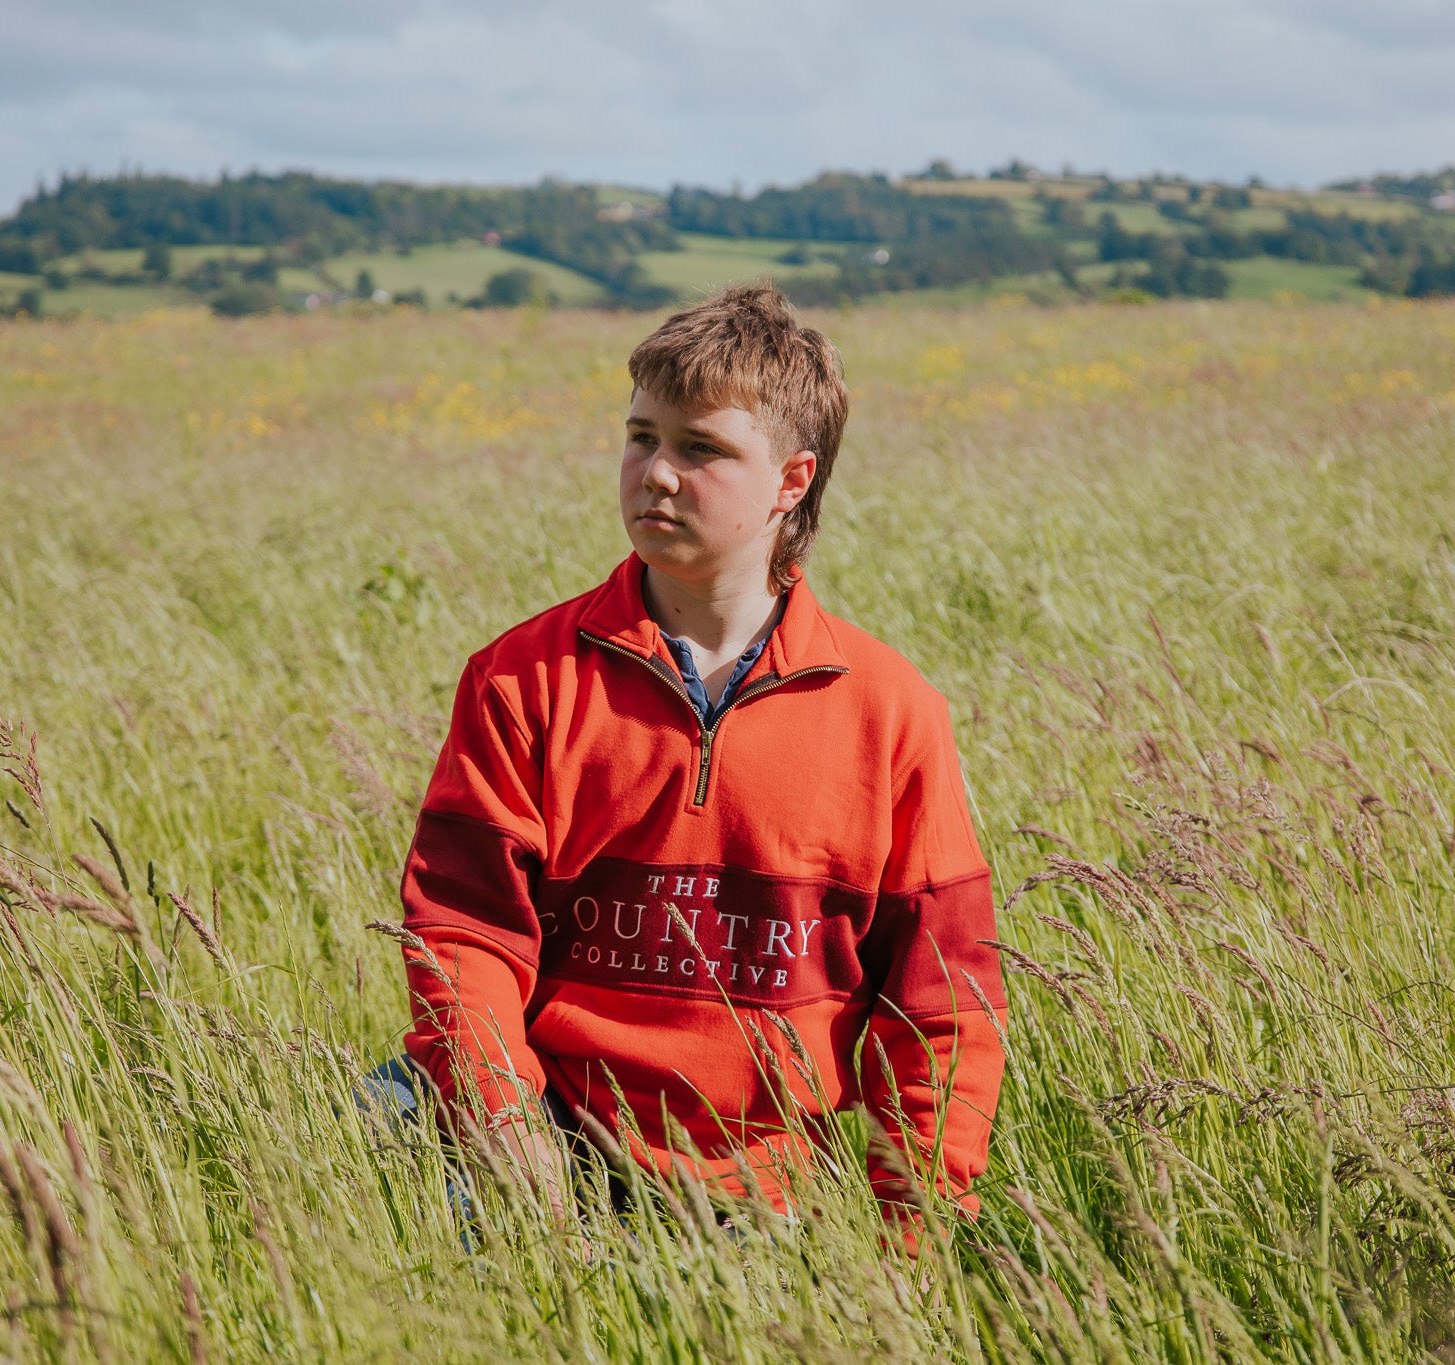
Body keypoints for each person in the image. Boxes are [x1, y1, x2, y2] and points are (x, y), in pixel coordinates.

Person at [384, 283, 1005, 1245]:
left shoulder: (890, 711)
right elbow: (464, 940)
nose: (656, 474)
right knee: (348, 1135)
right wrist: (505, 1129)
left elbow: (943, 1008)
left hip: (753, 1194)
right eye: (641, 437)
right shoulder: (521, 680)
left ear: (791, 482)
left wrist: (908, 1246)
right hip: (541, 1134)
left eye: (701, 448)